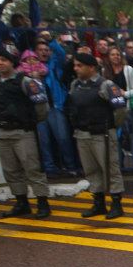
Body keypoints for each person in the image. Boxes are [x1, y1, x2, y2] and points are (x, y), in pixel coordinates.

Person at [0, 48, 51, 219]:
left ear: (11, 62)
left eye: (3, 60)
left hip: (23, 131)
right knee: (10, 170)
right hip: (4, 132)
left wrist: (32, 122)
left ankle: (42, 203)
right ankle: (22, 203)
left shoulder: (26, 81)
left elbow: (42, 107)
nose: (0, 63)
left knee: (32, 168)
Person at [67, 53, 126, 219]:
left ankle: (116, 203)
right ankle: (98, 202)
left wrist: (111, 126)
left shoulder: (106, 85)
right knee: (91, 169)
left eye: (80, 65)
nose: (76, 69)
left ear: (91, 67)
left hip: (103, 134)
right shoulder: (75, 85)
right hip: (83, 134)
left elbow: (121, 110)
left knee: (110, 168)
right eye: (75, 65)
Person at [34, 39, 80, 176]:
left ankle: (70, 166)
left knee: (63, 138)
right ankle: (49, 168)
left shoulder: (54, 66)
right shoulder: (30, 68)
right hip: (39, 108)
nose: (44, 52)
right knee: (44, 141)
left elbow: (60, 53)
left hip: (56, 107)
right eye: (40, 50)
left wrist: (50, 40)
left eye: (46, 50)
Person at [103, 46, 133, 167]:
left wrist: (125, 94)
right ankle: (118, 162)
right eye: (113, 54)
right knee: (115, 137)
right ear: (108, 57)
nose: (116, 57)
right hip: (112, 109)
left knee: (130, 134)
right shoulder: (105, 71)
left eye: (118, 54)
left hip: (126, 107)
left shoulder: (128, 69)